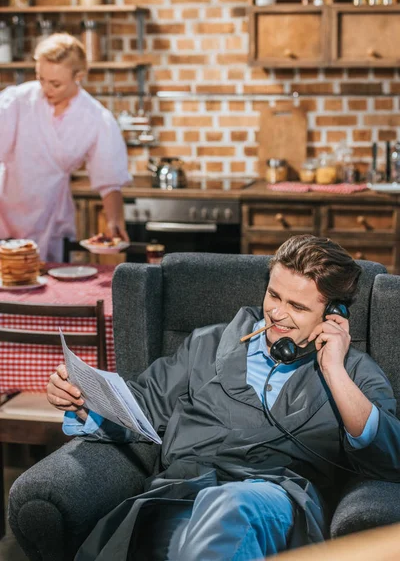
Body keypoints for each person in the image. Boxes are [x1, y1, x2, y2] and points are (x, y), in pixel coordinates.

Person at [47, 235, 400, 560]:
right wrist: (81, 400)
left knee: (231, 506)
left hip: (274, 496)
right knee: (163, 537)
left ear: (333, 315)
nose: (277, 313)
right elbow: (140, 404)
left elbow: (389, 456)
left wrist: (334, 370)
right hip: (183, 490)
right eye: (274, 296)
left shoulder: (353, 372)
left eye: (297, 306)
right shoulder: (208, 343)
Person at [0, 32, 131, 262]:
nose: (46, 88)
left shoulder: (96, 118)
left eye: (56, 84)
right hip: (6, 210)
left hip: (52, 214)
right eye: (41, 79)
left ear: (79, 76)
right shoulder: (17, 101)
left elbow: (109, 178)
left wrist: (115, 222)